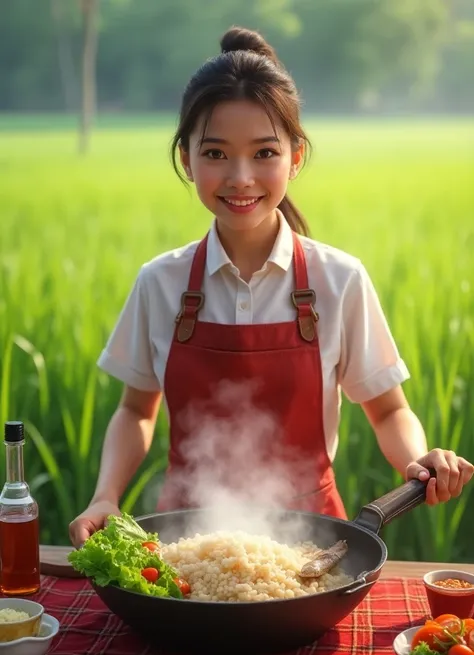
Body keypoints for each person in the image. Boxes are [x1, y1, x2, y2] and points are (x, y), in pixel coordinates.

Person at [69, 27, 473, 548]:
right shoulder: (160, 283)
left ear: (295, 156)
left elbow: (389, 409)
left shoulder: (338, 280)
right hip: (183, 547)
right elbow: (134, 410)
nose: (241, 177)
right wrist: (106, 495)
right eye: (215, 154)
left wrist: (417, 460)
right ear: (187, 159)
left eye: (264, 153)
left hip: (311, 548)